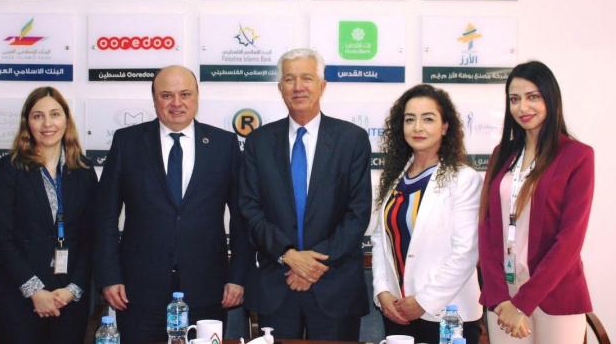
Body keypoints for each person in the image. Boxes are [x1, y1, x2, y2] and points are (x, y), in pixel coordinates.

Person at [94, 65, 249, 344]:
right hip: (138, 291)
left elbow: (241, 218)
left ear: (197, 96)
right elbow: (105, 216)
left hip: (207, 289)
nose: (176, 103)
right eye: (166, 95)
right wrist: (109, 276)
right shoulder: (127, 142)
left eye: (185, 94)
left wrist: (237, 276)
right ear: (154, 99)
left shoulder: (224, 144)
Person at [239, 48, 371, 340]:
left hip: (334, 286)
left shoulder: (352, 139)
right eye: (289, 79)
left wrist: (312, 264)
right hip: (277, 285)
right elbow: (249, 208)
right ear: (280, 88)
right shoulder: (258, 142)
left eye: (307, 78)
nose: (298, 87)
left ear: (322, 85)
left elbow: (358, 212)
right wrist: (288, 256)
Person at [479, 61, 595, 343]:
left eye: (533, 97)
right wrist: (500, 297)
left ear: (550, 99)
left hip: (556, 293)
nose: (523, 107)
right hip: (505, 296)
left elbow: (570, 240)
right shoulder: (501, 154)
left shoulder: (577, 156)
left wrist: (523, 303)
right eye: (514, 99)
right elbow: (487, 228)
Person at [371, 84, 483, 343]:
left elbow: (466, 252)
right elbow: (379, 239)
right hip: (397, 310)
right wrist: (382, 291)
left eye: (428, 119)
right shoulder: (395, 179)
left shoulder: (464, 179)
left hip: (447, 314)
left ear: (445, 127)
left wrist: (423, 301)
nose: (417, 127)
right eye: (410, 119)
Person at [0, 87, 97, 343]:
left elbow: (92, 237)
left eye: (55, 114)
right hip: (19, 298)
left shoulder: (84, 170)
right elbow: (1, 238)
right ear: (27, 122)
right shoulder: (9, 168)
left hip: (68, 299)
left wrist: (73, 289)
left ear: (66, 120)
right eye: (38, 116)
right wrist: (35, 291)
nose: (48, 124)